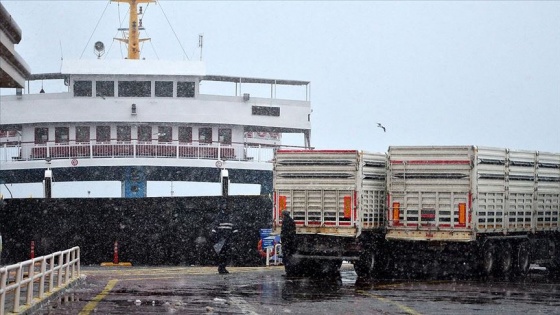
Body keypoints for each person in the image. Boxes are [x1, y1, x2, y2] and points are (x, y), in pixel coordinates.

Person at [211, 201, 238, 274]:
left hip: (227, 238)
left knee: (226, 254)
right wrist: (215, 236)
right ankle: (221, 267)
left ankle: (223, 267)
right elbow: (215, 227)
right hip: (221, 238)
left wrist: (235, 235)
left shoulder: (231, 216)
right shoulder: (220, 216)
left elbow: (234, 227)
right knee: (222, 254)